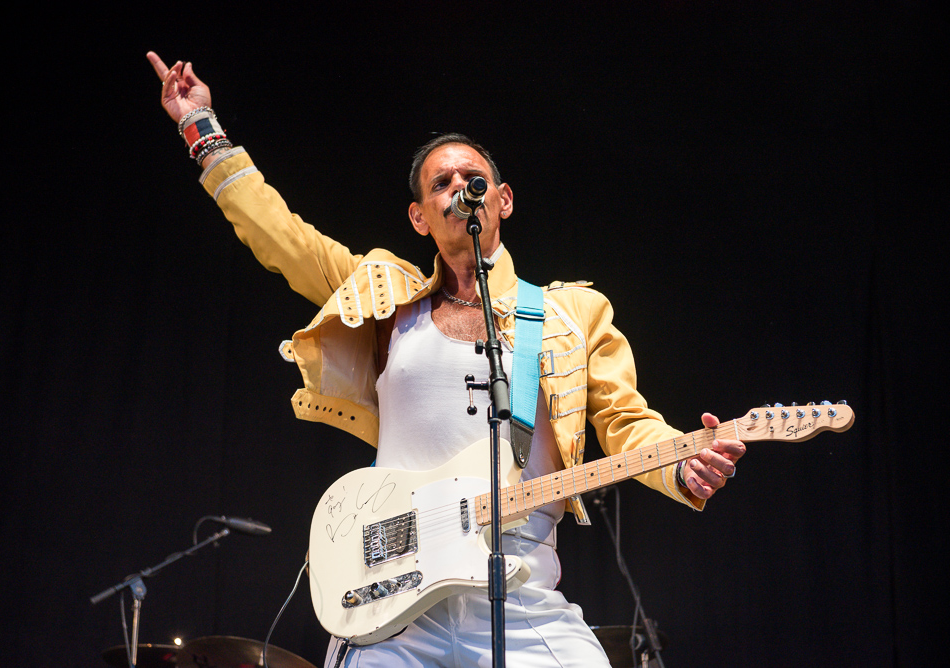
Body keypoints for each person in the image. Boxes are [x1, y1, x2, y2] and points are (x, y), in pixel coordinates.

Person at [147, 52, 746, 668]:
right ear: (420, 216)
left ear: (504, 201)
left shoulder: (574, 313)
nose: (461, 189)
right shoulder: (383, 296)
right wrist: (201, 127)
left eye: (474, 180)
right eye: (442, 184)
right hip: (396, 606)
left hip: (523, 595)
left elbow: (626, 424)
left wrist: (682, 463)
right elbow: (282, 236)